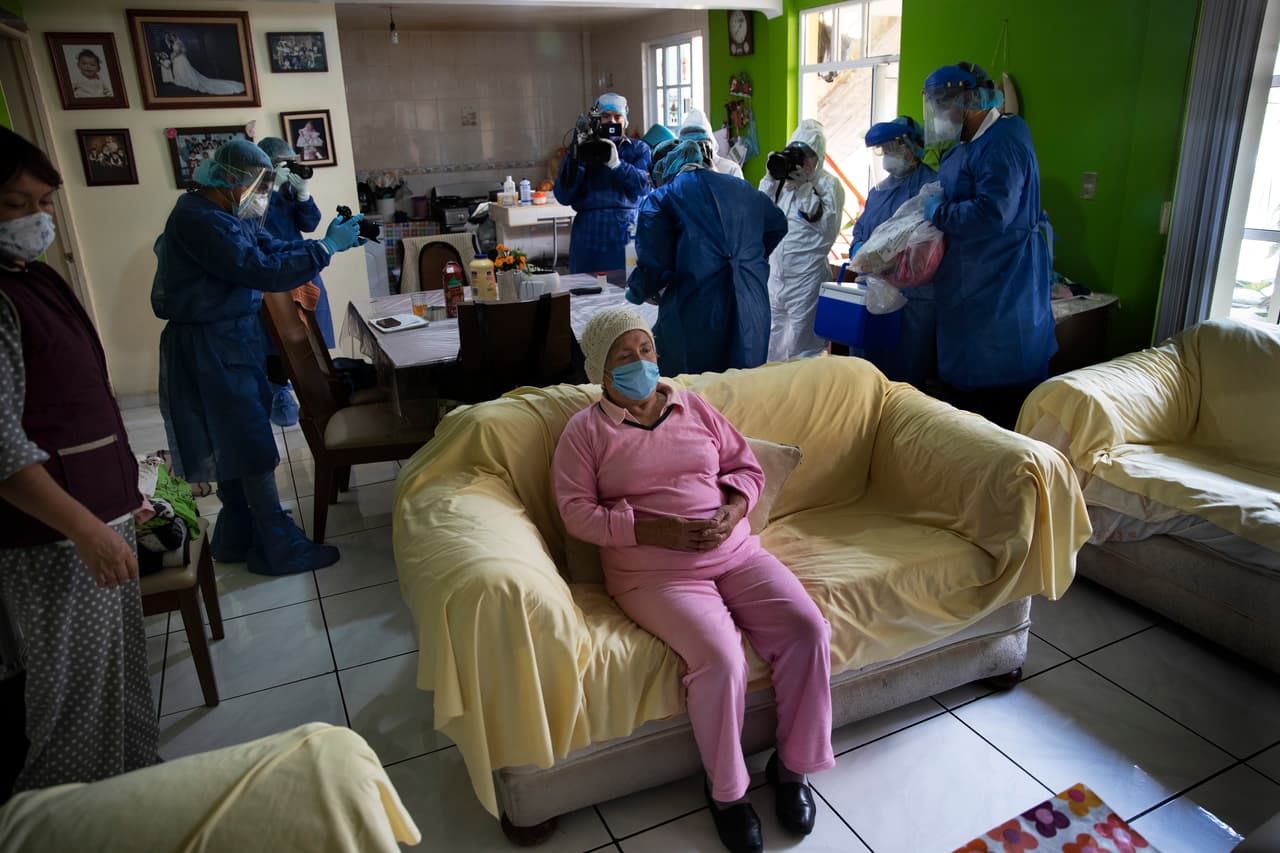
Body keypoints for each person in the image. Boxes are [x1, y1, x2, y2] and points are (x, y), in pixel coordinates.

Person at [554, 308, 833, 853]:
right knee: (721, 660)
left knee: (808, 630)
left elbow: (746, 468)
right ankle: (728, 792)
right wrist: (651, 529)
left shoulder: (692, 405)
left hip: (734, 551)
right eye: (624, 356)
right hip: (653, 575)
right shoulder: (584, 433)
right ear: (600, 371)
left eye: (646, 349)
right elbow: (576, 513)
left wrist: (734, 511)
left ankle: (793, 768)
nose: (642, 363)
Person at [0, 127, 158, 791]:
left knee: (119, 680)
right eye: (15, 203)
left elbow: (74, 404)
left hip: (94, 517)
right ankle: (69, 821)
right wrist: (88, 527)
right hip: (54, 539)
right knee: (73, 701)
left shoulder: (32, 278)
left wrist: (124, 496)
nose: (37, 218)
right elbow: (4, 450)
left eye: (43, 202)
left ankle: (130, 798)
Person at [151, 140, 364, 576]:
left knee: (229, 436)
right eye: (258, 183)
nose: (263, 191)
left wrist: (327, 243)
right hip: (209, 343)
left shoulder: (229, 214)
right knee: (246, 438)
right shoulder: (198, 219)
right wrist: (323, 251)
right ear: (230, 179)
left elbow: (270, 249)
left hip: (230, 337)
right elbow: (257, 269)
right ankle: (277, 547)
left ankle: (237, 535)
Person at [920, 62, 1056, 428]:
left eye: (945, 105)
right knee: (961, 404)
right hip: (966, 287)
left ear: (972, 100)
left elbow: (992, 214)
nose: (941, 115)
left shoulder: (1004, 141)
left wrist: (938, 212)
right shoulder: (965, 148)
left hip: (1001, 286)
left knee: (996, 409)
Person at [626, 137, 787, 377]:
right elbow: (778, 224)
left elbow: (655, 263)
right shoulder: (743, 189)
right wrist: (750, 260)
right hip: (751, 301)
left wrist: (637, 291)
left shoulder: (664, 197)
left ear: (663, 171)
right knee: (744, 387)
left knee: (693, 389)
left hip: (698, 305)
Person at [852, 116, 939, 387]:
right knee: (868, 372)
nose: (889, 156)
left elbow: (930, 240)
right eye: (885, 150)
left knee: (905, 375)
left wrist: (900, 264)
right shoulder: (879, 192)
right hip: (874, 291)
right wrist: (858, 250)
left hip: (914, 299)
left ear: (914, 148)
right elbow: (862, 231)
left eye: (895, 148)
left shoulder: (930, 187)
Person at [257, 136, 331, 427]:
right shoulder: (253, 195)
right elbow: (254, 224)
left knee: (310, 327)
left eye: (291, 162)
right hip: (270, 269)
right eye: (280, 164)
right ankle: (280, 391)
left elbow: (310, 224)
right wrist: (270, 189)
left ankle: (316, 388)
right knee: (274, 332)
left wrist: (303, 194)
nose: (287, 168)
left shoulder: (290, 188)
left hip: (300, 265)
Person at [759, 120, 845, 362]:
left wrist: (806, 190)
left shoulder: (828, 185)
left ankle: (804, 396)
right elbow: (760, 212)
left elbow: (827, 230)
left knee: (803, 347)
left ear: (818, 158)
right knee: (771, 342)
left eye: (808, 155)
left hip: (806, 280)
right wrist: (770, 179)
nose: (802, 162)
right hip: (775, 278)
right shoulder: (783, 183)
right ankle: (773, 393)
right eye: (797, 153)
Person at [554, 92, 652, 274]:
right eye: (605, 117)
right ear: (596, 121)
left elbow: (644, 186)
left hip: (625, 232)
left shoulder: (638, 149)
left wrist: (617, 165)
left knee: (625, 291)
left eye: (617, 116)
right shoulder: (582, 149)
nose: (611, 122)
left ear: (625, 120)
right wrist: (579, 158)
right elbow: (563, 195)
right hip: (588, 235)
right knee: (585, 293)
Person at [164, 33, 245, 96]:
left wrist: (174, 55)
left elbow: (180, 51)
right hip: (177, 60)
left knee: (184, 72)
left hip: (180, 59)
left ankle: (185, 81)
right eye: (171, 38)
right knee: (179, 71)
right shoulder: (174, 43)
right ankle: (181, 80)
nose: (172, 38)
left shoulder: (178, 43)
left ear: (175, 37)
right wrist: (173, 55)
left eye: (172, 37)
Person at [679, 108, 744, 179]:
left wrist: (712, 172)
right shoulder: (679, 172)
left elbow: (738, 190)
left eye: (700, 146)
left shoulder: (731, 169)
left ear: (710, 144)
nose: (696, 152)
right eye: (690, 146)